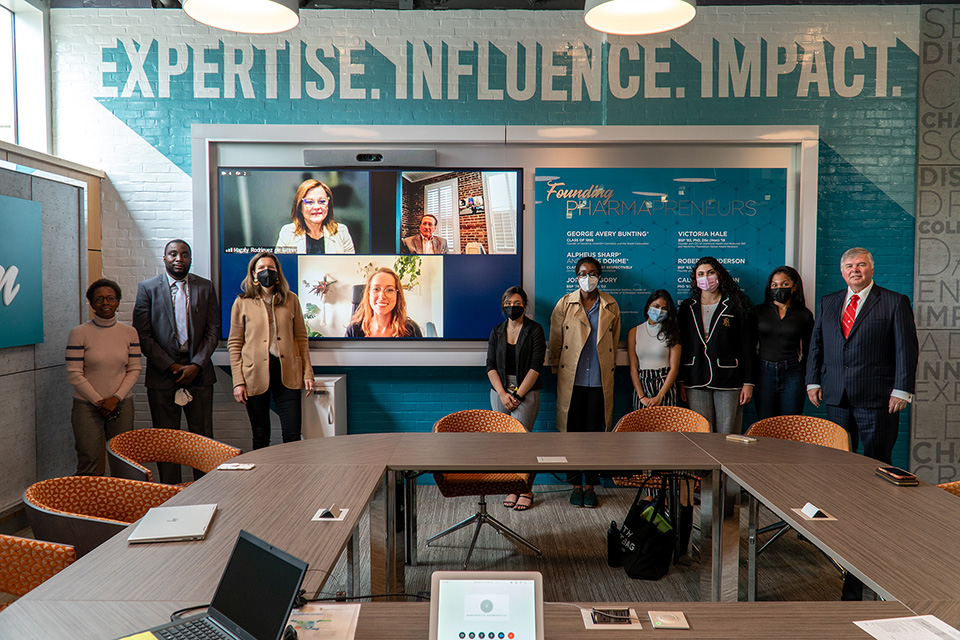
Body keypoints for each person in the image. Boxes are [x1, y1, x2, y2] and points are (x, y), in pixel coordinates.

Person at [806, 248, 918, 601]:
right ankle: (845, 520)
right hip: (836, 395)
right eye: (849, 266)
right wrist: (813, 380)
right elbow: (817, 345)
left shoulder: (894, 302)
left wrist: (902, 389)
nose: (855, 270)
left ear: (872, 267)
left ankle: (877, 527)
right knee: (840, 463)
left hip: (878, 397)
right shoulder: (829, 302)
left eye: (861, 265)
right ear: (842, 271)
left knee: (877, 462)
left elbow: (906, 349)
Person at [133, 239, 220, 484]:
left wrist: (197, 364)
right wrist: (170, 365)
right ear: (165, 258)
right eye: (173, 254)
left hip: (199, 375)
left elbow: (213, 330)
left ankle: (205, 491)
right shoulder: (147, 288)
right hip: (163, 376)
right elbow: (143, 333)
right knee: (166, 441)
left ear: (191, 258)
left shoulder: (205, 287)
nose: (179, 259)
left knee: (202, 440)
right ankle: (170, 495)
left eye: (184, 254)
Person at [549, 256, 621, 508]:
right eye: (582, 273)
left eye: (592, 273)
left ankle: (590, 485)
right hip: (572, 379)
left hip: (599, 380)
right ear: (576, 276)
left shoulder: (610, 305)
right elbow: (556, 340)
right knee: (571, 434)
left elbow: (613, 342)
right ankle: (575, 485)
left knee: (595, 435)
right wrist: (554, 369)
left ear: (599, 276)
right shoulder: (564, 304)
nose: (587, 277)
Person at [228, 252, 315, 449]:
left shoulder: (291, 299)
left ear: (277, 274)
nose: (266, 271)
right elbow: (234, 344)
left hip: (288, 372)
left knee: (292, 436)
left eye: (271, 268)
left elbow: (301, 338)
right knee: (260, 436)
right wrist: (238, 381)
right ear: (253, 274)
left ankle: (293, 478)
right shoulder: (242, 302)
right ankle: (263, 479)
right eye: (261, 269)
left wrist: (308, 372)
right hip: (255, 374)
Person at [65, 279, 141, 476]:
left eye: (110, 298)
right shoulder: (79, 333)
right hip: (87, 406)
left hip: (121, 404)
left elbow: (134, 370)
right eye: (99, 299)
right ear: (91, 303)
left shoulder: (130, 333)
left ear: (117, 302)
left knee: (123, 459)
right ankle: (85, 506)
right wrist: (99, 402)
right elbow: (74, 373)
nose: (105, 303)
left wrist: (115, 399)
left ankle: (120, 505)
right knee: (88, 459)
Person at [678, 257, 756, 435]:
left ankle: (726, 463)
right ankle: (705, 464)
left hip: (729, 377)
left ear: (719, 275)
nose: (706, 277)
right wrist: (681, 380)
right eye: (701, 274)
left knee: (727, 433)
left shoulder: (737, 305)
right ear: (695, 279)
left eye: (710, 272)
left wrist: (748, 382)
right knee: (702, 432)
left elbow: (748, 346)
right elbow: (682, 344)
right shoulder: (687, 307)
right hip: (695, 377)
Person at [486, 285, 545, 511]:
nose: (513, 307)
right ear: (503, 306)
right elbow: (490, 365)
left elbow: (536, 366)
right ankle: (512, 486)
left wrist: (518, 395)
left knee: (523, 441)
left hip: (527, 390)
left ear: (525, 306)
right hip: (499, 389)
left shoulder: (535, 330)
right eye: (508, 304)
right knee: (504, 442)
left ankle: (526, 489)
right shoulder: (496, 331)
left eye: (517, 304)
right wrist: (502, 393)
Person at [754, 266, 814, 419]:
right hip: (763, 372)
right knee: (765, 423)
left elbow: (810, 349)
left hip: (793, 374)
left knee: (790, 423)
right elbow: (749, 346)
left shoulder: (804, 314)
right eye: (775, 285)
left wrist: (808, 376)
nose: (779, 288)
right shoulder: (758, 312)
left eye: (784, 284)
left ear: (794, 287)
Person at [628, 290, 681, 410]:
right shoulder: (634, 332)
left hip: (665, 385)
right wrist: (641, 396)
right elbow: (633, 367)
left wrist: (660, 396)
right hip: (642, 386)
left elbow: (674, 369)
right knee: (642, 427)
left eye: (664, 308)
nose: (659, 311)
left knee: (665, 427)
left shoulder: (673, 333)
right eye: (656, 306)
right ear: (648, 307)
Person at [276, 179, 355, 254]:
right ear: (300, 207)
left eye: (322, 201)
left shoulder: (341, 232)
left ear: (328, 205)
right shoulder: (287, 233)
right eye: (310, 202)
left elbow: (351, 266)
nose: (317, 207)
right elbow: (279, 265)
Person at [345, 267, 423, 337]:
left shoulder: (411, 330)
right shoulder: (353, 331)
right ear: (369, 293)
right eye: (376, 289)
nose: (382, 296)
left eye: (389, 290)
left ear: (397, 294)